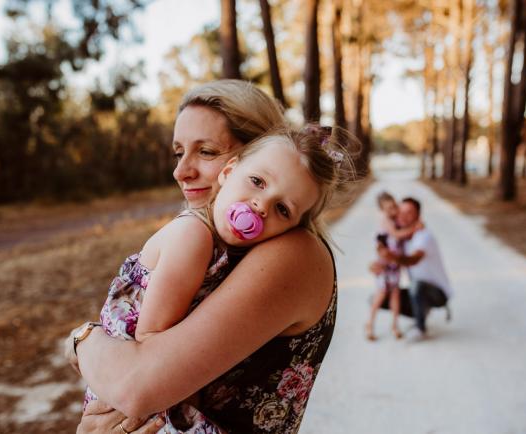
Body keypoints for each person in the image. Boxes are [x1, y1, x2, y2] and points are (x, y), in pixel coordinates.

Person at [65, 80, 357, 434]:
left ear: (252, 153)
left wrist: (82, 341)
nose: (180, 171)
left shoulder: (294, 254)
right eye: (178, 152)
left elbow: (137, 384)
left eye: (205, 151)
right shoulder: (208, 245)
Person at [375, 197, 453, 340]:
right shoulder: (402, 239)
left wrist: (392, 256)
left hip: (438, 293)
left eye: (409, 212)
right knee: (383, 295)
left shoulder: (424, 236)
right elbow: (388, 259)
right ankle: (422, 312)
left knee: (416, 286)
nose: (403, 216)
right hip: (419, 290)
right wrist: (377, 265)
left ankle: (420, 328)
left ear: (418, 216)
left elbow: (413, 260)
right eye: (401, 212)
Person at [365, 192, 421, 341]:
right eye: (388, 208)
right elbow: (396, 235)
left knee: (395, 294)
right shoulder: (385, 221)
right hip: (384, 265)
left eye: (394, 206)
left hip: (395, 265)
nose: (393, 210)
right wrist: (414, 228)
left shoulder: (396, 219)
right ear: (382, 210)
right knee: (381, 294)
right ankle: (370, 324)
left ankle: (395, 326)